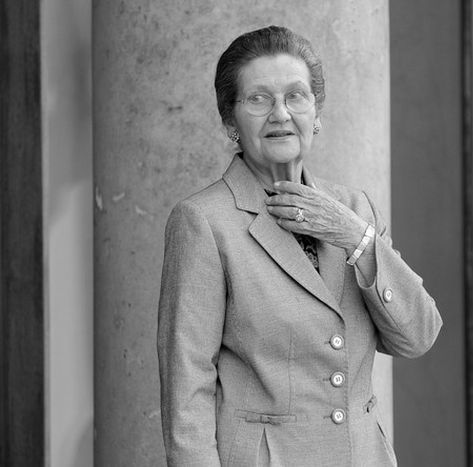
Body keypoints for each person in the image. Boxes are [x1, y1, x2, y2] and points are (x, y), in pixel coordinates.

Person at [157, 25, 442, 466]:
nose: (280, 114)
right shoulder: (203, 222)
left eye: (296, 96)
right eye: (258, 99)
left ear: (317, 113)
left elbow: (417, 336)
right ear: (230, 121)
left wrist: (358, 239)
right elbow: (187, 387)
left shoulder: (354, 209)